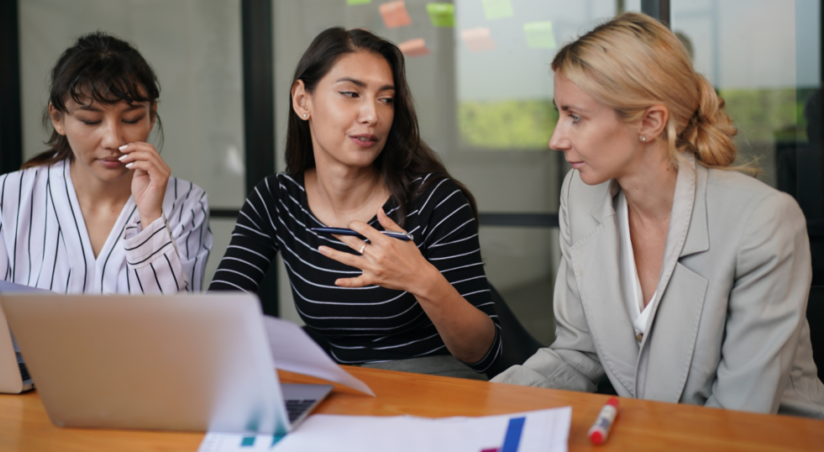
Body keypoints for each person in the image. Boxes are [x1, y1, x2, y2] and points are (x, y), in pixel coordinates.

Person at [491, 13, 824, 417]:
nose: (556, 139)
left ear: (650, 121)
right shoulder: (581, 197)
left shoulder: (762, 221)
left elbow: (740, 414)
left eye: (575, 116)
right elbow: (575, 355)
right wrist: (476, 409)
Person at [210, 28, 500, 379]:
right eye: (351, 93)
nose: (372, 115)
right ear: (303, 100)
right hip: (346, 390)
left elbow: (486, 353)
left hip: (435, 386)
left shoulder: (434, 201)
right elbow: (218, 315)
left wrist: (422, 280)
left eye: (385, 99)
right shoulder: (276, 199)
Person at [0, 32, 212, 294]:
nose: (113, 139)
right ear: (58, 118)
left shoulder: (186, 203)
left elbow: (183, 324)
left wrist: (150, 218)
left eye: (131, 119)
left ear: (152, 115)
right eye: (90, 120)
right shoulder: (8, 196)